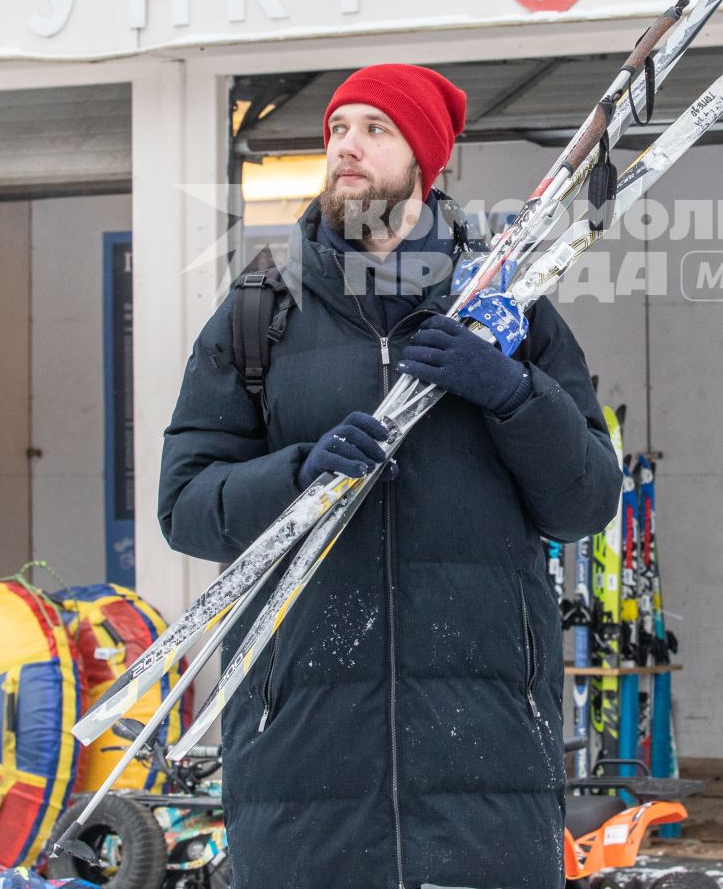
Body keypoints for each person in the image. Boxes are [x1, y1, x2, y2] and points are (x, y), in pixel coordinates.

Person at [158, 63, 623, 889]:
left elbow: (585, 500)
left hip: (485, 758)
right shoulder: (263, 309)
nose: (346, 147)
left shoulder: (513, 310)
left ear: (425, 160)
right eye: (337, 129)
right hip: (300, 756)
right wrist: (297, 477)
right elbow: (186, 505)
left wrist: (513, 392)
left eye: (375, 129)